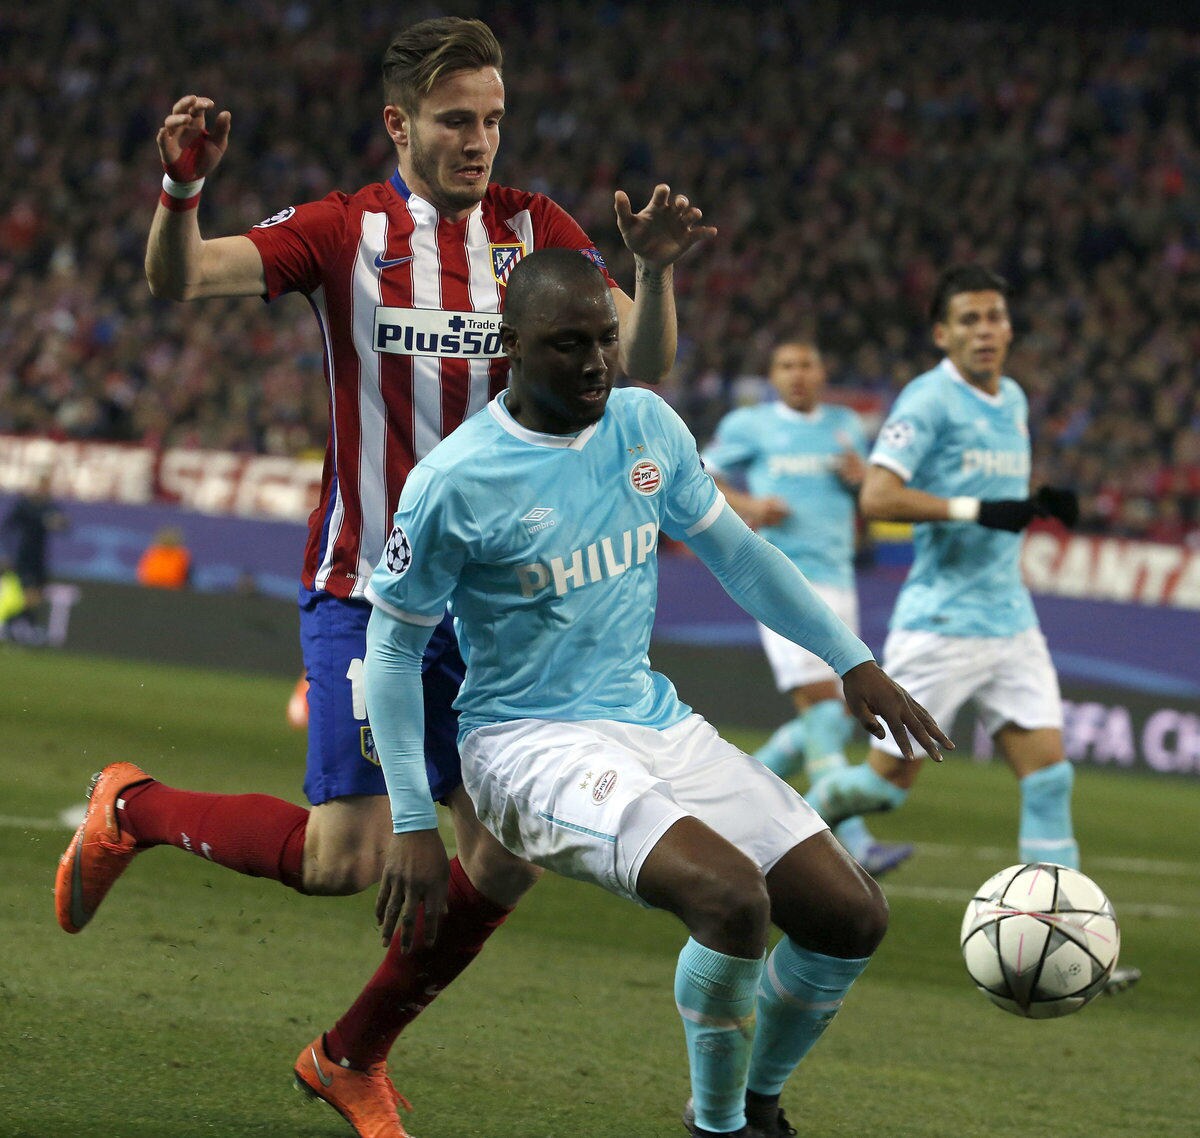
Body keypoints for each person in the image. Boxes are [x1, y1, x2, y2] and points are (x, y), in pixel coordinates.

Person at [54, 18, 715, 1138]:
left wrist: (652, 273)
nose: (479, 141)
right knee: (346, 859)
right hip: (368, 584)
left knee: (506, 854)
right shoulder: (342, 229)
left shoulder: (537, 231)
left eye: (493, 119)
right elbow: (184, 277)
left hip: (497, 608)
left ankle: (350, 1055)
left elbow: (639, 365)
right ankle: (132, 807)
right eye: (456, 121)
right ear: (400, 125)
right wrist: (180, 192)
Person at [364, 248, 952, 1138]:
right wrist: (413, 820)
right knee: (730, 899)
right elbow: (393, 647)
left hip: (649, 718)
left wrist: (852, 660)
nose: (597, 362)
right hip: (524, 742)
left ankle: (757, 1105)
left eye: (606, 338)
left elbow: (739, 554)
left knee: (851, 916)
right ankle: (717, 1127)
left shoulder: (645, 424)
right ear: (511, 345)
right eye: (568, 344)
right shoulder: (454, 480)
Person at [802, 263, 1139, 996]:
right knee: (887, 790)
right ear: (941, 333)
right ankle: (799, 816)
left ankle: (1070, 945)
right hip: (941, 625)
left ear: (1009, 327)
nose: (986, 331)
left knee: (1049, 778)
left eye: (995, 317)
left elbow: (993, 490)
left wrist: (1036, 499)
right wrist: (977, 510)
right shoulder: (928, 400)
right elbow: (878, 495)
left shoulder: (1011, 398)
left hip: (1010, 621)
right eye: (969, 320)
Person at [702, 340, 913, 878]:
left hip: (839, 579)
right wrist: (751, 505)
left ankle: (723, 808)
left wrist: (860, 480)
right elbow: (701, 474)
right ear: (773, 376)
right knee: (822, 709)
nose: (797, 374)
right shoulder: (750, 425)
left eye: (806, 365)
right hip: (779, 580)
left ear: (823, 373)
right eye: (786, 366)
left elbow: (873, 497)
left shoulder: (846, 425)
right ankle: (854, 842)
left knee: (834, 716)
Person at [1, 472, 69, 641]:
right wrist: (7, 553)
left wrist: (60, 522)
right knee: (28, 593)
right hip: (24, 557)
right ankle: (16, 626)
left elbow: (64, 526)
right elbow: (8, 528)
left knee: (36, 595)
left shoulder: (50, 507)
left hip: (39, 559)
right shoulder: (25, 506)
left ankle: (15, 626)